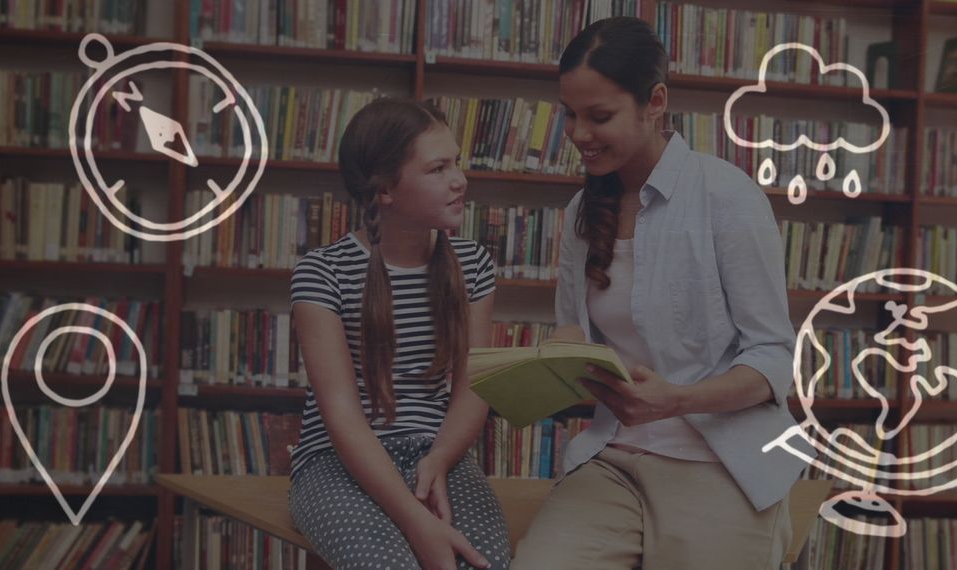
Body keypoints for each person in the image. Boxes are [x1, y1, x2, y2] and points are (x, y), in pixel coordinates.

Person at [511, 17, 813, 569]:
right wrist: (549, 365)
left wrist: (677, 400)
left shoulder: (727, 196)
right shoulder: (581, 212)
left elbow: (773, 360)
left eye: (599, 117)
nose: (579, 135)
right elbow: (573, 328)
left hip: (720, 463)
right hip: (612, 459)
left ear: (655, 102)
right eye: (570, 115)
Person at [288, 97, 511, 570]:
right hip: (338, 462)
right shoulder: (322, 273)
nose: (459, 180)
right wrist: (414, 518)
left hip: (436, 456)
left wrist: (438, 462)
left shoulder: (473, 265)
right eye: (437, 169)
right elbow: (343, 417)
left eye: (457, 162)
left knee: (484, 561)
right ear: (386, 189)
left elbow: (473, 386)